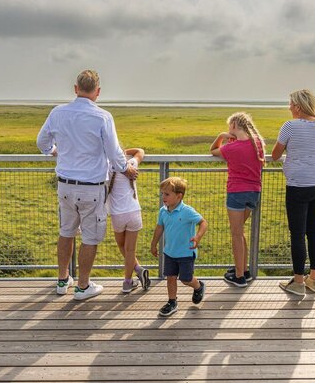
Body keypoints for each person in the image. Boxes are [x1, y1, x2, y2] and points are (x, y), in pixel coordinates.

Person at [37, 69, 137, 301]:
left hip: (64, 186)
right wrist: (126, 169)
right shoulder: (103, 117)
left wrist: (53, 151)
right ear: (98, 92)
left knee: (66, 232)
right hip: (91, 187)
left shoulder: (58, 112)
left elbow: (42, 141)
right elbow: (114, 153)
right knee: (90, 238)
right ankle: (82, 286)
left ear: (75, 88)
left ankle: (63, 280)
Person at [272, 89, 315, 297]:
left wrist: (297, 154)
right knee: (314, 231)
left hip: (299, 184)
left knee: (298, 234)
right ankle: (314, 280)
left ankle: (298, 282)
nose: (289, 107)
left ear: (298, 106)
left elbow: (274, 155)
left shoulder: (290, 126)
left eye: (291, 104)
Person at [210, 112, 265, 287]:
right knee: (240, 231)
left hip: (236, 193)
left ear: (234, 126)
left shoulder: (231, 148)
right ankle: (244, 269)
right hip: (254, 192)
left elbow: (213, 150)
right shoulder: (257, 144)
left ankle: (239, 277)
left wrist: (221, 136)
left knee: (236, 234)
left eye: (229, 127)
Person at [150, 177, 209, 317]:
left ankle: (198, 286)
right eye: (162, 193)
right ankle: (172, 302)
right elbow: (159, 228)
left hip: (186, 253)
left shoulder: (187, 211)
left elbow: (203, 223)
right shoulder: (163, 211)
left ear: (179, 196)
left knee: (185, 279)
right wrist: (153, 244)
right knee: (170, 277)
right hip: (169, 252)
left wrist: (198, 237)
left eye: (167, 194)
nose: (163, 197)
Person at [107, 147, 151, 294]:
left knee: (122, 246)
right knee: (130, 249)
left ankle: (135, 273)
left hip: (117, 214)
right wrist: (126, 150)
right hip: (133, 211)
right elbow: (140, 151)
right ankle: (130, 278)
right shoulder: (131, 163)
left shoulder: (106, 166)